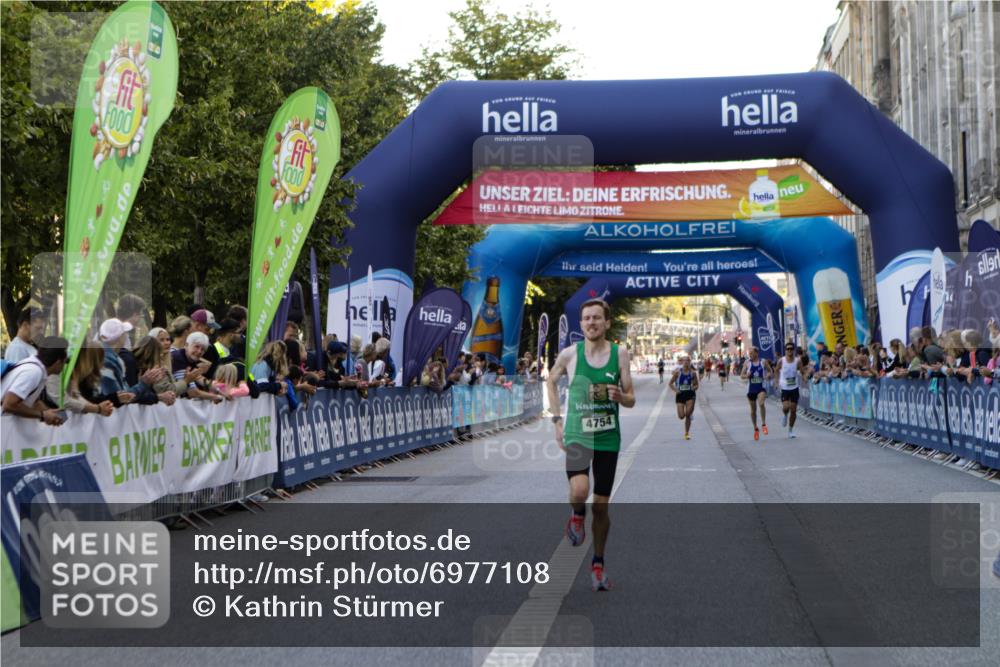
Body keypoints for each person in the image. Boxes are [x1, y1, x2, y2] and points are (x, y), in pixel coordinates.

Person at [546, 299, 635, 592]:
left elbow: (631, 397)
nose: (591, 322)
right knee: (580, 490)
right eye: (586, 318)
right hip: (577, 434)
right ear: (581, 324)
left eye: (597, 318)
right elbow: (551, 380)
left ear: (607, 323)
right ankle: (576, 515)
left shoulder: (620, 355)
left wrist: (621, 397)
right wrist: (557, 421)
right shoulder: (571, 354)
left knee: (600, 506)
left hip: (608, 437)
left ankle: (598, 563)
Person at [1, 337, 68, 425]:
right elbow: (9, 404)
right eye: (65, 361)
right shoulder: (34, 372)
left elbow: (33, 401)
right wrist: (42, 415)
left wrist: (48, 412)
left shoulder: (34, 367)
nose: (64, 365)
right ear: (58, 363)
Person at [99, 319, 165, 404]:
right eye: (125, 333)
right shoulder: (111, 360)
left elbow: (123, 394)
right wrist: (144, 383)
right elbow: (122, 397)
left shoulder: (115, 357)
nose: (127, 336)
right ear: (120, 337)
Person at [63, 346, 118, 416]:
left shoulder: (77, 372)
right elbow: (72, 398)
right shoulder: (72, 371)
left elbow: (76, 395)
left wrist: (97, 408)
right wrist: (98, 409)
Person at [170, 332, 224, 402]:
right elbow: (192, 392)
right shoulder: (179, 358)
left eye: (203, 349)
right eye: (197, 347)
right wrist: (217, 396)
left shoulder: (189, 359)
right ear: (186, 345)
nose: (199, 351)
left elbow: (198, 378)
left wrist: (218, 390)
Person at [775, 341, 805, 438]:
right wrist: (776, 381)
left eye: (791, 349)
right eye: (788, 349)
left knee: (793, 410)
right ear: (785, 350)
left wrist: (804, 377)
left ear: (794, 350)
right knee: (786, 407)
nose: (789, 351)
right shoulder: (781, 361)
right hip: (784, 387)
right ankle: (784, 415)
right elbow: (776, 370)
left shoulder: (798, 361)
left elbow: (802, 371)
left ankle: (790, 430)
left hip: (794, 387)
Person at [741, 346, 771, 441]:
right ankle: (756, 428)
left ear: (756, 353)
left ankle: (763, 424)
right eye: (749, 353)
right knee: (753, 411)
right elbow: (741, 375)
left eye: (751, 353)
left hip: (761, 387)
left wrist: (767, 375)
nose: (750, 355)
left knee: (761, 403)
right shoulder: (747, 362)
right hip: (751, 389)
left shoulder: (763, 361)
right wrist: (747, 375)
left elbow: (770, 371)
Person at [668, 355, 699, 440]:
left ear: (690, 362)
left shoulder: (693, 373)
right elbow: (670, 383)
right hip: (680, 395)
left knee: (688, 414)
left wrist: (694, 387)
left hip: (690, 395)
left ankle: (686, 433)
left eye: (687, 361)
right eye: (684, 361)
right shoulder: (678, 372)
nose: (686, 362)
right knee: (681, 416)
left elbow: (697, 385)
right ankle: (689, 413)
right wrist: (676, 390)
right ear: (682, 362)